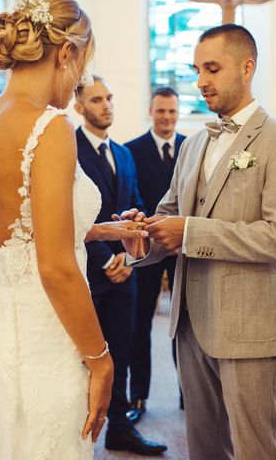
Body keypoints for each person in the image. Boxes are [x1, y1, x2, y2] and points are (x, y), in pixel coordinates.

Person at [0, 0, 149, 459]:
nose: (79, 78)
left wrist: (103, 230)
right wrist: (101, 362)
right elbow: (54, 267)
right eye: (83, 64)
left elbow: (18, 235)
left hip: (2, 330)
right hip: (49, 335)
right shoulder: (51, 127)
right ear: (67, 53)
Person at [119, 24, 276, 460]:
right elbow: (169, 215)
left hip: (249, 326)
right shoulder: (193, 145)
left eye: (212, 68)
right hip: (188, 325)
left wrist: (189, 231)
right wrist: (142, 239)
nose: (200, 80)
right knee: (204, 449)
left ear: (247, 68)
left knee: (253, 450)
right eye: (196, 69)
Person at [75, 77, 168, 456]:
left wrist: (131, 257)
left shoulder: (124, 155)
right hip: (87, 273)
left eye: (109, 98)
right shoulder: (69, 149)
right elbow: (70, 214)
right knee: (83, 358)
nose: (106, 105)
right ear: (79, 106)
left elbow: (138, 205)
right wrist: (105, 258)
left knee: (122, 352)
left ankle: (119, 428)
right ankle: (75, 433)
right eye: (97, 100)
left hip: (125, 272)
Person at [124, 87, 186, 422]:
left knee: (185, 324)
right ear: (151, 111)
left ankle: (187, 393)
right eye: (161, 111)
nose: (166, 117)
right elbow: (129, 196)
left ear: (178, 113)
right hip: (146, 249)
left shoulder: (192, 147)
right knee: (140, 324)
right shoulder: (131, 150)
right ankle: (139, 397)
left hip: (183, 249)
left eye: (172, 112)